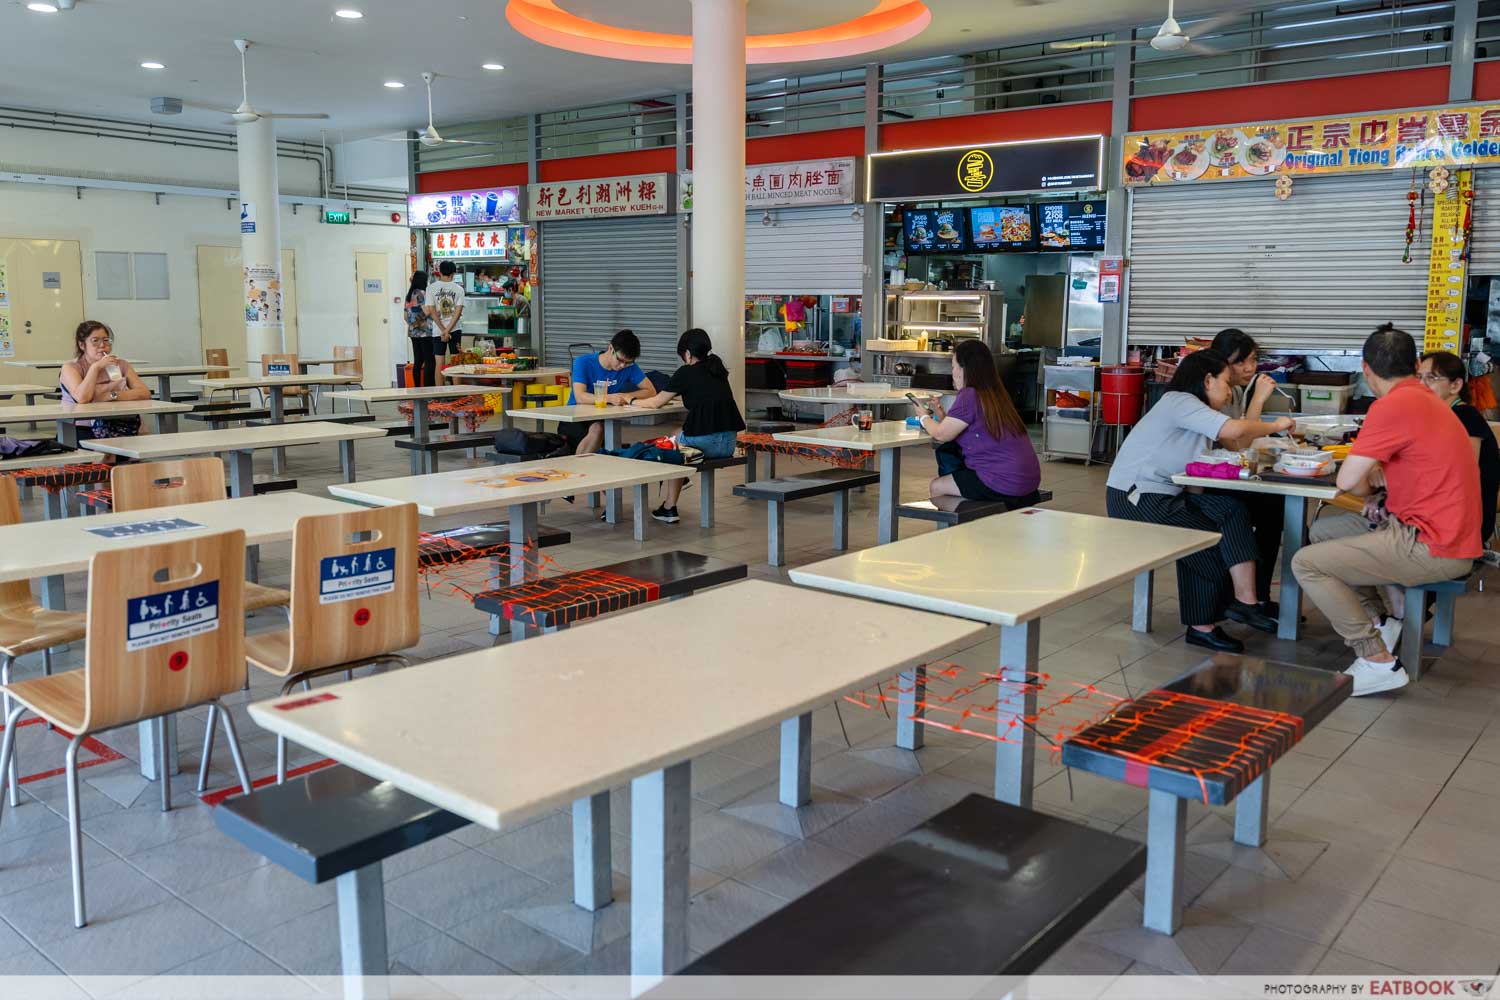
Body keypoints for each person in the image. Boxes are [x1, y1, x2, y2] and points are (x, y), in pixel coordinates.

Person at [1292, 325, 1481, 696]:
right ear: (1414, 364)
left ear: (1365, 369)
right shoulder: (1428, 400)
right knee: (1324, 533)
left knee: (1306, 563)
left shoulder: (1391, 405)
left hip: (1431, 544)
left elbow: (1348, 482)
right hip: (1450, 533)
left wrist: (1368, 477)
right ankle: (1381, 622)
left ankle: (1375, 660)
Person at [1106, 350, 1293, 652]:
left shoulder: (1197, 413)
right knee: (1203, 539)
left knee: (1232, 510)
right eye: (1226, 382)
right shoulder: (1180, 402)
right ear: (1207, 380)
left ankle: (1246, 602)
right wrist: (1277, 425)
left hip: (1166, 493)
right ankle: (1201, 626)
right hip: (1136, 496)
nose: (1229, 390)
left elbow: (1221, 449)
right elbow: (1235, 431)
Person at [1208, 328, 1285, 610]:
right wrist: (1258, 400)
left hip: (1221, 475)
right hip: (1202, 482)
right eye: (1240, 361)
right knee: (1266, 508)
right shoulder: (1214, 393)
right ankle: (1251, 596)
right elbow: (1236, 444)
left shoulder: (1235, 390)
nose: (1250, 368)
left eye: (1252, 359)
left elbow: (1242, 442)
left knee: (1274, 506)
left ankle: (1258, 594)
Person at [634, 328, 745, 523]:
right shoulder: (717, 370)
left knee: (667, 445)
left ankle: (670, 506)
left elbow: (655, 402)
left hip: (706, 444)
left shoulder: (686, 372)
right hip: (728, 444)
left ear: (687, 354)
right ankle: (670, 502)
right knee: (677, 434)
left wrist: (630, 400)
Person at [915, 339, 1040, 507]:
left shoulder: (969, 394)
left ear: (963, 369)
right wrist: (942, 415)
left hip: (1002, 480)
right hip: (1028, 479)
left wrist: (923, 416)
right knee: (959, 482)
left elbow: (941, 434)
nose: (952, 372)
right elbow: (964, 429)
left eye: (953, 367)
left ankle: (956, 531)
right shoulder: (995, 393)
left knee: (937, 486)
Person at [1420, 351, 1499, 546]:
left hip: (1463, 528)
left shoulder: (1466, 417)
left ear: (1455, 385)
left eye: (1431, 378)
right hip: (1440, 519)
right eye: (1418, 378)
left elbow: (1462, 476)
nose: (1421, 385)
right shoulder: (1440, 416)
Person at [565, 330, 656, 456]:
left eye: (628, 362)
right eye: (620, 360)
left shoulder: (629, 367)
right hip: (575, 417)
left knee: (604, 431)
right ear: (610, 348)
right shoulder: (583, 362)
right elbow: (580, 396)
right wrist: (609, 398)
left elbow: (650, 391)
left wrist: (626, 396)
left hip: (603, 417)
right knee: (597, 429)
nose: (622, 366)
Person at [58, 320, 151, 440]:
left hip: (119, 422)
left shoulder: (121, 364)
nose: (102, 345)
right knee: (106, 452)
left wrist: (111, 395)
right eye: (95, 341)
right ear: (82, 345)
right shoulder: (71, 368)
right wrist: (95, 368)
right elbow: (82, 398)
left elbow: (144, 392)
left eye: (106, 340)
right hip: (81, 427)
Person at [425, 261, 465, 374]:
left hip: (438, 331)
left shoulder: (431, 288)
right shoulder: (459, 289)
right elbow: (458, 313)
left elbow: (432, 311)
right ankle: (457, 391)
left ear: (440, 272)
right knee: (456, 363)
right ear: (453, 273)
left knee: (439, 364)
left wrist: (443, 330)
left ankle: (440, 391)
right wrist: (448, 330)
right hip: (455, 329)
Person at [404, 270, 438, 387]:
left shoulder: (409, 296)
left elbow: (405, 316)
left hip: (413, 333)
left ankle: (417, 388)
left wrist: (413, 324)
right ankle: (429, 388)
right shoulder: (423, 294)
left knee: (418, 361)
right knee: (430, 361)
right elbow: (427, 311)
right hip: (425, 332)